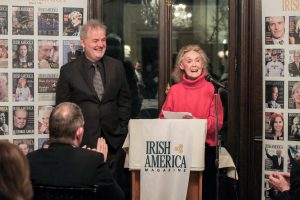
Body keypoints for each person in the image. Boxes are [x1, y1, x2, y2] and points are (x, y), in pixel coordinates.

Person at [56, 20, 131, 187]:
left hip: (114, 142)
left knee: (114, 191)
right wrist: (73, 139)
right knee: (86, 189)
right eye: (95, 41)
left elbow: (125, 100)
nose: (100, 45)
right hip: (83, 143)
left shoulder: (117, 66)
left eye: (103, 40)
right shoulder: (68, 71)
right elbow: (62, 109)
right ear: (83, 42)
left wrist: (122, 128)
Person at [159, 44, 223, 200]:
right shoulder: (174, 90)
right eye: (189, 61)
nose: (194, 65)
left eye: (197, 60)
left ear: (203, 64)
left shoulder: (212, 89)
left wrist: (196, 124)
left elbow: (217, 123)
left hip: (205, 150)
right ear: (181, 65)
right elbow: (162, 119)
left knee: (205, 192)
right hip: (178, 150)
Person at [27, 102, 125, 200]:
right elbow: (118, 197)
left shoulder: (30, 160)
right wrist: (101, 163)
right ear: (79, 132)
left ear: (49, 129)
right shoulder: (93, 161)